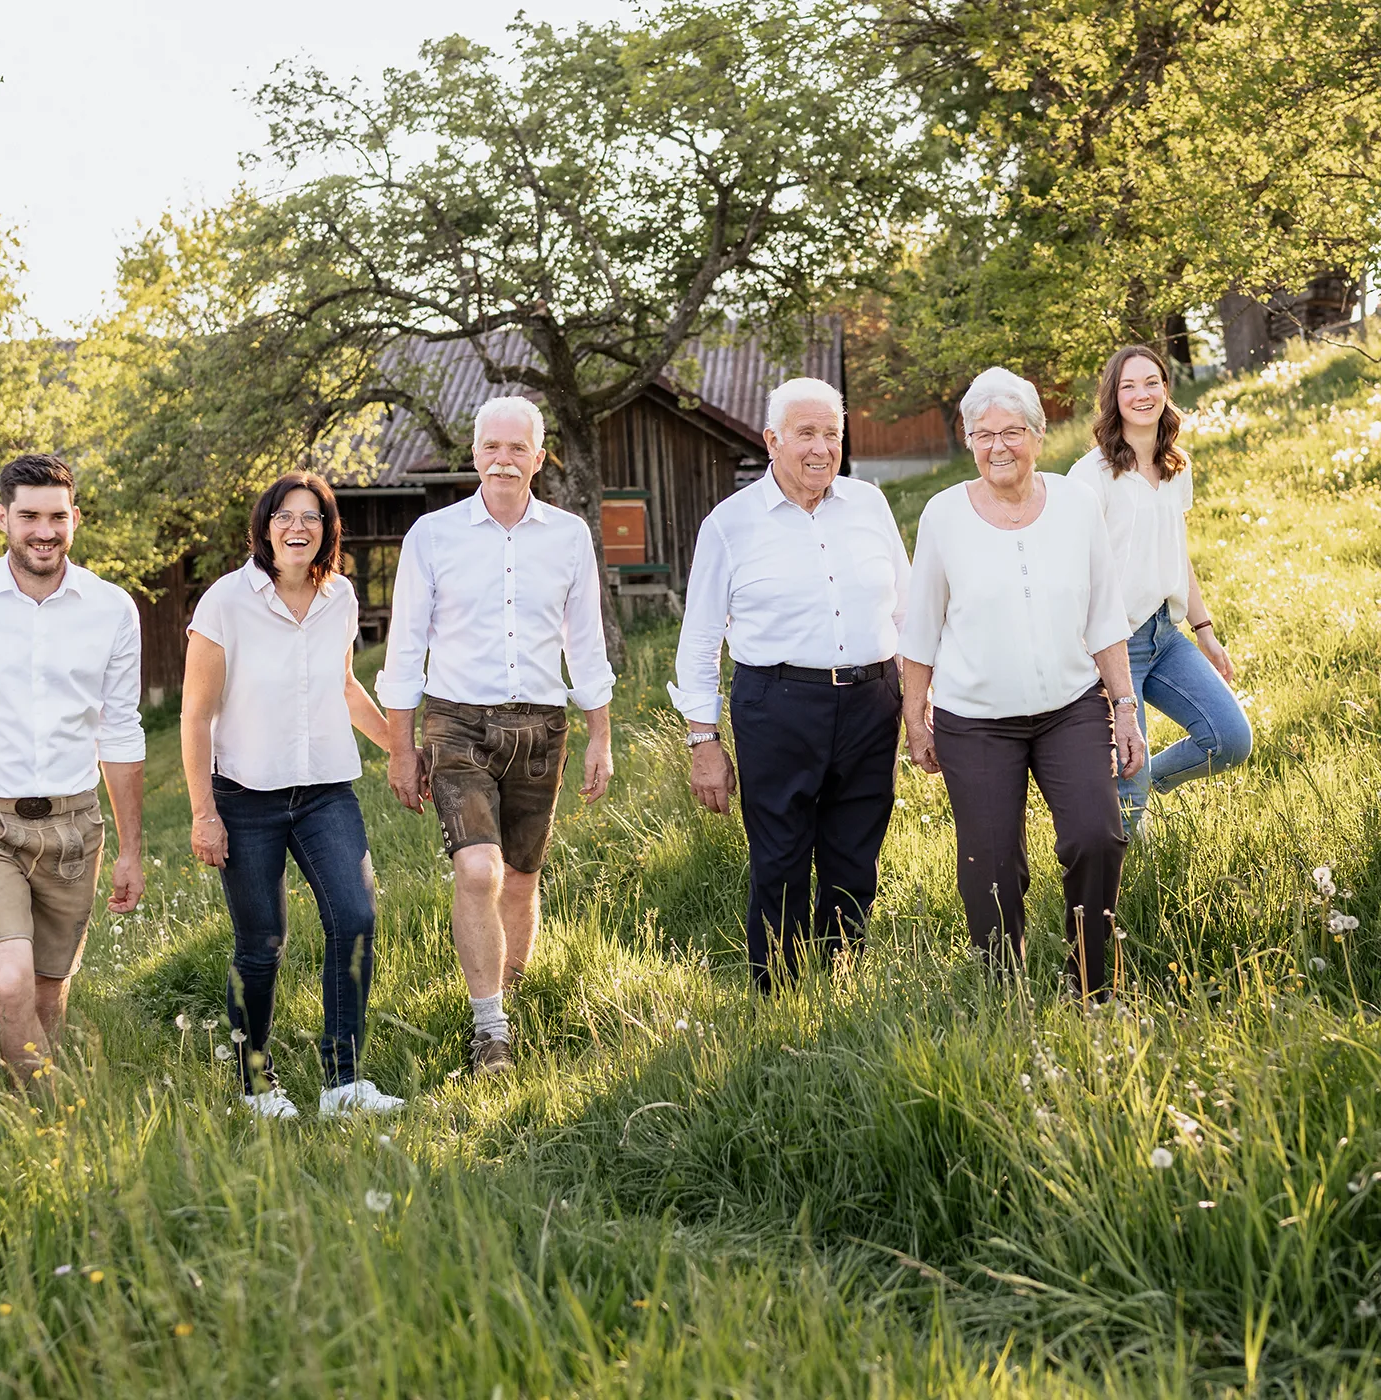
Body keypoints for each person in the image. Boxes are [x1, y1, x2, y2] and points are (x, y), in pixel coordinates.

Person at [378, 395, 615, 1076]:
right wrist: (401, 746)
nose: (503, 460)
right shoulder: (433, 535)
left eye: (518, 449)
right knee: (476, 869)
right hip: (457, 723)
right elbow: (404, 648)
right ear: (475, 454)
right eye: (491, 447)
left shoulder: (569, 536)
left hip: (541, 724)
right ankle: (490, 1033)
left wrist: (600, 737)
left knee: (519, 878)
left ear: (539, 458)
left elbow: (586, 644)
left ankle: (508, 1005)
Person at [901, 367, 1146, 1000]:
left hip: (1071, 707)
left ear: (1039, 435)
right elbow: (920, 627)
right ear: (967, 439)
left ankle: (1093, 987)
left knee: (1096, 836)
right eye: (984, 434)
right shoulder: (943, 515)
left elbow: (1103, 617)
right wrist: (915, 716)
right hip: (974, 720)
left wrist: (1124, 708)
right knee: (990, 868)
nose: (998, 446)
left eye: (1012, 431)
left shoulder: (1075, 503)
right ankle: (1002, 994)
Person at [0, 453, 145, 1084]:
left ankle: (23, 1120)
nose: (44, 531)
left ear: (76, 519)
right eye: (29, 516)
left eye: (57, 517)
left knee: (44, 993)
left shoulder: (113, 609)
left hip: (74, 829)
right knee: (7, 982)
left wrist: (131, 849)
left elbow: (120, 730)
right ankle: (58, 1122)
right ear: (2, 518)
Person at [670, 376, 910, 990]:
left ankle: (839, 987)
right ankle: (776, 994)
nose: (821, 448)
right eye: (806, 433)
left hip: (872, 700)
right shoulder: (729, 524)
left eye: (832, 433)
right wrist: (703, 742)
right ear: (772, 440)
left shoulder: (870, 506)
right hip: (776, 704)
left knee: (855, 854)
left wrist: (919, 707)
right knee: (779, 859)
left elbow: (908, 611)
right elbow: (699, 640)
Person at [181, 471, 404, 1120]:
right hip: (244, 797)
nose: (297, 528)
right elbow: (194, 716)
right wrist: (203, 814)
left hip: (325, 791)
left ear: (328, 530)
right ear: (264, 526)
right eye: (284, 516)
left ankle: (344, 1084)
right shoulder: (226, 602)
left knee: (356, 918)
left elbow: (342, 684)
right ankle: (257, 1085)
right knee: (261, 943)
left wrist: (401, 748)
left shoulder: (339, 597)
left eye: (311, 517)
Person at [1065, 345, 1250, 829]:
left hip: (1165, 636)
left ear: (1166, 390)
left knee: (1230, 739)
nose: (1141, 394)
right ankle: (1127, 894)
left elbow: (1176, 551)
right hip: (1111, 645)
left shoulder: (1175, 466)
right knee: (1127, 787)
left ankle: (1152, 782)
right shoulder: (1092, 475)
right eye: (1128, 385)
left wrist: (1204, 628)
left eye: (1151, 382)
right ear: (1113, 397)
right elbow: (1068, 569)